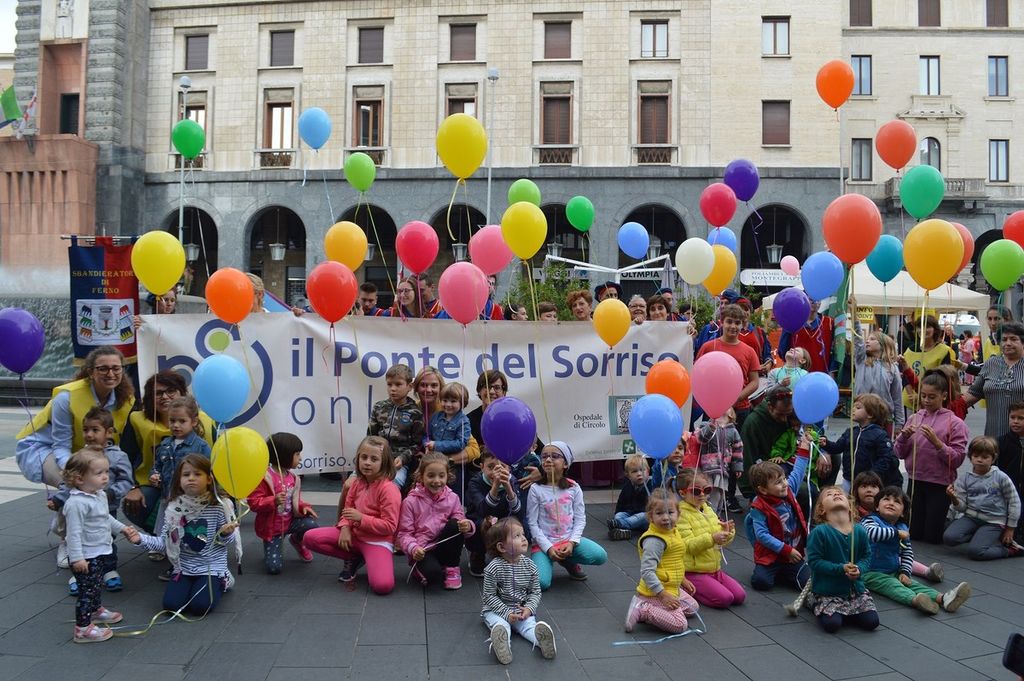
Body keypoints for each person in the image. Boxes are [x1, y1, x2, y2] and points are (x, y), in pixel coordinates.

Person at [129, 454, 240, 615]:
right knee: (171, 605)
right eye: (186, 475)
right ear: (179, 480)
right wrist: (140, 539)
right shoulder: (174, 508)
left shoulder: (219, 506)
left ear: (209, 479)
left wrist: (225, 534)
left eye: (197, 474)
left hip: (211, 567)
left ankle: (223, 580)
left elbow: (227, 542)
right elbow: (165, 544)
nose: (191, 478)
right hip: (183, 567)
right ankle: (194, 585)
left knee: (200, 606)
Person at [17, 346, 135, 488]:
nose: (110, 374)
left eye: (116, 368)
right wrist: (81, 471)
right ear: (91, 372)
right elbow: (61, 446)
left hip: (84, 452)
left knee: (103, 483)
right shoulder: (66, 398)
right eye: (103, 369)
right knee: (73, 485)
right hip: (45, 448)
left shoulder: (127, 400)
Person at [49, 408, 134, 594]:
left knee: (106, 538)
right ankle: (79, 572)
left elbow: (127, 480)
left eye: (95, 430)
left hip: (106, 506)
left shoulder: (118, 456)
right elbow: (69, 480)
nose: (89, 434)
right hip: (81, 506)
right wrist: (58, 498)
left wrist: (112, 493)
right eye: (85, 430)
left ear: (109, 432)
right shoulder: (81, 456)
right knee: (78, 536)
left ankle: (108, 570)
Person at [302, 436, 401, 594]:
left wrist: (361, 518)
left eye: (374, 459)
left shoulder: (389, 489)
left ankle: (365, 557)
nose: (367, 462)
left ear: (384, 462)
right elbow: (347, 511)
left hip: (377, 541)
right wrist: (345, 528)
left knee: (382, 586)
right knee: (309, 538)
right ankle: (353, 557)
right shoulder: (356, 483)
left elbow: (390, 527)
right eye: (364, 457)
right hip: (354, 536)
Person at [120, 371, 216, 534]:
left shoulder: (206, 422)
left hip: (196, 490)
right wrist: (136, 485)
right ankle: (159, 539)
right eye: (158, 393)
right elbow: (127, 457)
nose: (164, 397)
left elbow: (215, 463)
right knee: (164, 525)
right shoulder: (139, 421)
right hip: (163, 491)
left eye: (170, 391)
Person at [61, 448, 138, 643]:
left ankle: (95, 611)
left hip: (100, 550)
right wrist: (77, 558)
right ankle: (82, 629)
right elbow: (73, 534)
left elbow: (105, 518)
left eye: (106, 472)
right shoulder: (76, 504)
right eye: (99, 473)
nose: (105, 477)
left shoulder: (99, 495)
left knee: (95, 586)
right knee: (86, 592)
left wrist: (122, 528)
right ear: (79, 479)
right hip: (85, 556)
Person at [861, 486, 971, 615]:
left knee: (913, 584)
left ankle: (943, 599)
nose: (891, 503)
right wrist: (896, 533)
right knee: (892, 585)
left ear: (903, 512)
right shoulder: (870, 520)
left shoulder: (902, 527)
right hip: (869, 572)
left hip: (892, 570)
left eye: (897, 501)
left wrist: (905, 572)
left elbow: (907, 553)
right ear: (877, 507)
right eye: (886, 499)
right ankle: (916, 600)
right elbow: (872, 534)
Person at [895, 372, 968, 543]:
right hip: (915, 480)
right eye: (923, 396)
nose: (926, 400)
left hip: (939, 484)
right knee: (914, 533)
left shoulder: (955, 423)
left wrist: (937, 443)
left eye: (932, 397)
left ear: (944, 396)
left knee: (932, 538)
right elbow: (899, 453)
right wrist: (903, 437)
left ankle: (956, 523)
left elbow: (957, 460)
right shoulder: (914, 418)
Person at [526, 441, 607, 589]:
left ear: (565, 464)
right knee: (541, 583)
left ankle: (568, 560)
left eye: (555, 456)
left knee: (600, 556)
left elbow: (580, 519)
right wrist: (548, 548)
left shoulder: (573, 487)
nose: (548, 460)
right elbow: (532, 523)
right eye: (544, 456)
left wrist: (572, 542)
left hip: (567, 540)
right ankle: (546, 560)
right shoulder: (536, 489)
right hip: (544, 544)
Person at [481, 517, 557, 664]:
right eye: (517, 536)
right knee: (501, 625)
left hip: (520, 610)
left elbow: (535, 592)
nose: (523, 538)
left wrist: (528, 609)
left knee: (529, 626)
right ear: (502, 547)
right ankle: (502, 645)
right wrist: (506, 613)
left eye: (523, 534)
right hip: (496, 610)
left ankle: (542, 641)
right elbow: (489, 596)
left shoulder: (530, 565)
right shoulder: (493, 568)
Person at [624, 488, 700, 634]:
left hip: (671, 586)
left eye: (670, 512)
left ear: (678, 514)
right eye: (659, 513)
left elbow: (673, 561)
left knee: (692, 608)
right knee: (679, 625)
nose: (666, 518)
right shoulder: (654, 541)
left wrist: (682, 580)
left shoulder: (673, 531)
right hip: (655, 591)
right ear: (650, 517)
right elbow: (647, 572)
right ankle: (643, 608)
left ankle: (658, 612)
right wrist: (662, 595)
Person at [805, 485, 879, 633]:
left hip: (855, 591)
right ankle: (814, 600)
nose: (836, 494)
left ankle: (846, 611)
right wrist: (840, 568)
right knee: (832, 625)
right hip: (829, 591)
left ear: (850, 506)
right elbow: (814, 561)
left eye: (839, 493)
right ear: (822, 509)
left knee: (872, 622)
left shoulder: (859, 530)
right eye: (829, 494)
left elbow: (866, 556)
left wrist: (859, 569)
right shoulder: (819, 532)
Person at [744, 431, 812, 592]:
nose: (784, 484)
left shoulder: (789, 490)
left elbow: (798, 471)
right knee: (761, 583)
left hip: (792, 553)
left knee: (807, 582)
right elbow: (762, 535)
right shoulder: (759, 506)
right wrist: (785, 550)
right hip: (771, 556)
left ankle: (786, 572)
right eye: (778, 482)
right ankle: (776, 572)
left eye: (784, 479)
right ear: (763, 490)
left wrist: (804, 446)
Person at [397, 451, 475, 589]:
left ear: (447, 476)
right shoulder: (410, 502)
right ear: (421, 476)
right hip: (423, 550)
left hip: (444, 546)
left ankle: (452, 568)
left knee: (455, 524)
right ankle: (421, 569)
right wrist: (414, 548)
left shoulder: (453, 498)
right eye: (431, 475)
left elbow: (460, 519)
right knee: (434, 577)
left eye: (441, 476)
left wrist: (467, 526)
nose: (437, 481)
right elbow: (404, 534)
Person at [246, 432, 319, 575]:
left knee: (311, 525)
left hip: (290, 522)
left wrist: (304, 508)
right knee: (274, 568)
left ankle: (297, 540)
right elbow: (254, 502)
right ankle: (272, 547)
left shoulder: (293, 478)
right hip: (272, 529)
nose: (300, 458)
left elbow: (295, 501)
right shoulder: (265, 477)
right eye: (297, 454)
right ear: (284, 455)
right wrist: (272, 501)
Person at [850, 470, 944, 582]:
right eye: (864, 486)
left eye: (873, 486)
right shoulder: (852, 510)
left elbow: (906, 550)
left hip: (886, 554)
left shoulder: (889, 514)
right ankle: (925, 571)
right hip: (864, 555)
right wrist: (896, 533)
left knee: (896, 555)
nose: (869, 490)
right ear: (856, 491)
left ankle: (926, 571)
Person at [943, 436, 1023, 560]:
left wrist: (1010, 528)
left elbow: (1014, 502)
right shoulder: (965, 479)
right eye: (976, 456)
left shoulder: (1001, 477)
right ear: (970, 457)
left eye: (985, 457)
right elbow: (962, 508)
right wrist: (954, 498)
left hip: (994, 521)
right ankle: (979, 537)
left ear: (993, 458)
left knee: (976, 552)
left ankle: (1009, 550)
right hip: (971, 517)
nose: (979, 460)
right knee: (949, 538)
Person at [675, 468, 745, 608]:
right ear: (682, 493)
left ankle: (707, 587)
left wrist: (727, 532)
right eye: (696, 491)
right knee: (725, 599)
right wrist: (712, 538)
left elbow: (720, 542)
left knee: (740, 596)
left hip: (714, 569)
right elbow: (688, 546)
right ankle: (687, 587)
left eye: (707, 490)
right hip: (694, 572)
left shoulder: (707, 509)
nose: (702, 494)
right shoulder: (681, 514)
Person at [467, 370, 542, 499]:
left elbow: (541, 450)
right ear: (479, 391)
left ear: (504, 392)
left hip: (515, 482)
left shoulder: (514, 416)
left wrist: (541, 472)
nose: (491, 391)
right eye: (486, 387)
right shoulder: (469, 421)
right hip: (482, 484)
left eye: (497, 387)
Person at [696, 304, 761, 427]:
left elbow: (754, 382)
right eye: (729, 322)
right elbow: (698, 375)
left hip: (740, 409)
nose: (733, 326)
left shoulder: (749, 351)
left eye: (737, 323)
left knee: (738, 440)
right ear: (721, 323)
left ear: (742, 325)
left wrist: (736, 398)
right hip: (713, 408)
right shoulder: (708, 347)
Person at [465, 448, 525, 577]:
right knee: (479, 525)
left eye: (502, 467)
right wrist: (495, 487)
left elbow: (518, 512)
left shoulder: (512, 480)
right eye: (491, 467)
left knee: (515, 525)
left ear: (509, 468)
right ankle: (477, 554)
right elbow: (482, 510)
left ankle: (507, 556)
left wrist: (508, 487)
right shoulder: (475, 482)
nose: (496, 472)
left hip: (503, 519)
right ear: (482, 467)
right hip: (480, 520)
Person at [822, 394, 902, 489]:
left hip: (868, 482)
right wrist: (826, 443)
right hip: (849, 478)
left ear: (870, 414)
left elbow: (886, 458)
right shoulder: (851, 432)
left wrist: (872, 474)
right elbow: (837, 447)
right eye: (853, 406)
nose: (853, 409)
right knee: (849, 497)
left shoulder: (879, 435)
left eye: (858, 407)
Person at [367, 364, 424, 491]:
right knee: (351, 484)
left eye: (398, 384)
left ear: (409, 386)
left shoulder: (415, 412)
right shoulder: (378, 407)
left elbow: (417, 444)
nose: (393, 389)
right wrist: (373, 456)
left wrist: (403, 458)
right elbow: (370, 437)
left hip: (399, 461)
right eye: (389, 384)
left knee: (393, 486)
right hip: (376, 457)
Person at [965, 322, 1024, 438]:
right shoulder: (991, 364)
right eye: (1004, 339)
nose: (1008, 343)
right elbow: (972, 394)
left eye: (1013, 339)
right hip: (993, 438)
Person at [738, 384, 796, 499]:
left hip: (792, 464)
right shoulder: (753, 423)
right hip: (769, 473)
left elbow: (812, 431)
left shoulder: (792, 415)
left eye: (788, 414)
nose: (784, 419)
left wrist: (824, 453)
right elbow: (747, 457)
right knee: (803, 491)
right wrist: (750, 492)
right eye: (780, 414)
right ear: (770, 407)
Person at [150, 396, 211, 501]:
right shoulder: (164, 444)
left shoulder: (201, 446)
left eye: (182, 421)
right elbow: (157, 466)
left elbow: (210, 472)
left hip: (193, 500)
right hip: (167, 498)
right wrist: (154, 476)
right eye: (172, 421)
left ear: (194, 421)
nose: (176, 425)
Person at [851, 313, 904, 433]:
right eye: (867, 339)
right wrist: (855, 317)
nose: (867, 341)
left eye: (872, 339)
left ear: (882, 344)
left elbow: (897, 397)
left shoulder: (892, 368)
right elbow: (858, 340)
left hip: (884, 419)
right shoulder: (862, 360)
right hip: (863, 416)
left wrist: (899, 423)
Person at [687, 410, 744, 514]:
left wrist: (737, 467)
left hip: (723, 469)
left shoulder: (733, 431)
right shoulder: (705, 425)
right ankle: (708, 514)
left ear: (731, 414)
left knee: (720, 495)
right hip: (707, 468)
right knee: (708, 493)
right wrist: (711, 427)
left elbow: (738, 450)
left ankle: (715, 515)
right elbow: (700, 439)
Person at [900, 314, 959, 411]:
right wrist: (911, 395)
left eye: (927, 327)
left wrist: (921, 397)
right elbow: (905, 375)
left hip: (933, 402)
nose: (923, 330)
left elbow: (944, 379)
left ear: (935, 329)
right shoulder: (909, 351)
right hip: (909, 402)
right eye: (919, 327)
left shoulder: (944, 351)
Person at [777, 302, 834, 375]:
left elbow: (835, 352)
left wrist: (832, 372)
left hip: (821, 376)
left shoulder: (829, 323)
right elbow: (782, 350)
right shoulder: (792, 321)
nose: (813, 301)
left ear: (820, 303)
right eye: (810, 298)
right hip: (797, 376)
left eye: (816, 299)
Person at [608, 454, 651, 540]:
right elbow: (621, 503)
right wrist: (618, 513)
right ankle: (624, 531)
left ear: (648, 471)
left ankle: (620, 525)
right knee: (619, 515)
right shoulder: (627, 486)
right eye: (634, 471)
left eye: (642, 470)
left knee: (643, 516)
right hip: (630, 514)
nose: (639, 474)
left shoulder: (651, 484)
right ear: (628, 475)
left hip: (645, 517)